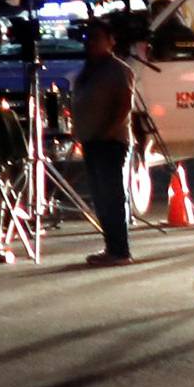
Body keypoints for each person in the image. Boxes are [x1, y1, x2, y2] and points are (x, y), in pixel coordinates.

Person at [71, 15, 137, 266]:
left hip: (111, 141)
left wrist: (110, 130)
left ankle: (121, 250)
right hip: (91, 139)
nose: (92, 43)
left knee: (112, 195)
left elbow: (124, 103)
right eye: (89, 39)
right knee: (100, 196)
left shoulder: (119, 69)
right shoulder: (88, 70)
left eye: (97, 38)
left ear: (111, 41)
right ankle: (111, 246)